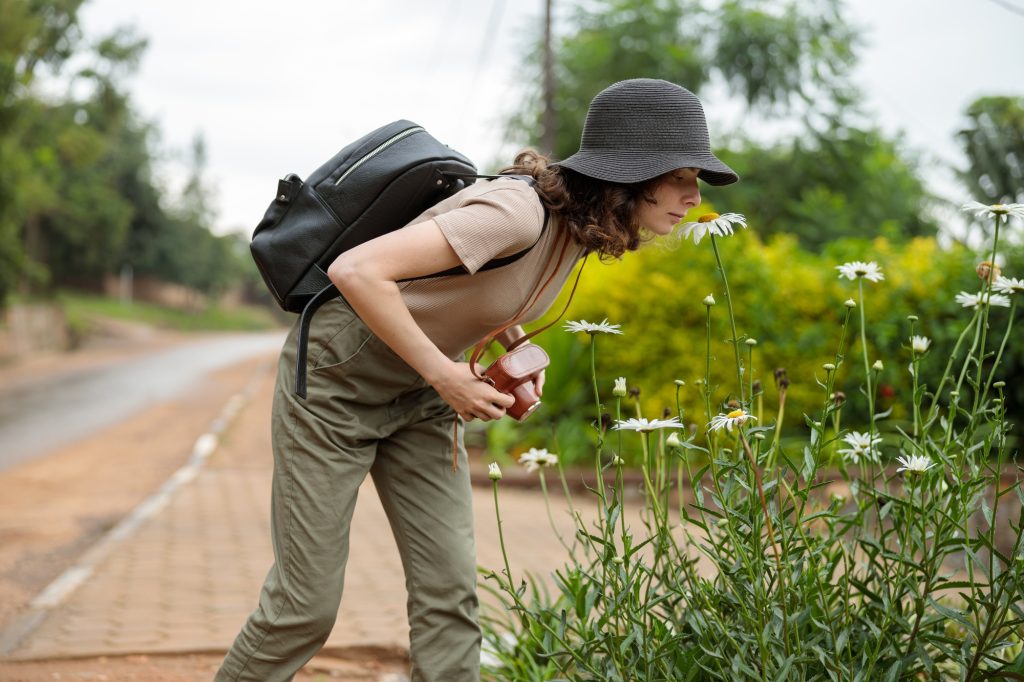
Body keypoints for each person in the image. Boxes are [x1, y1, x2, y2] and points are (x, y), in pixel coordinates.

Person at [215, 77, 738, 682]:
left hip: (419, 399)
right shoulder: (515, 212)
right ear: (631, 173)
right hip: (338, 386)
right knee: (304, 609)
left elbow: (477, 294)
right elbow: (357, 271)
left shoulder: (578, 231)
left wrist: (512, 352)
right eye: (681, 176)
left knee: (450, 599)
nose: (693, 195)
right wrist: (446, 376)